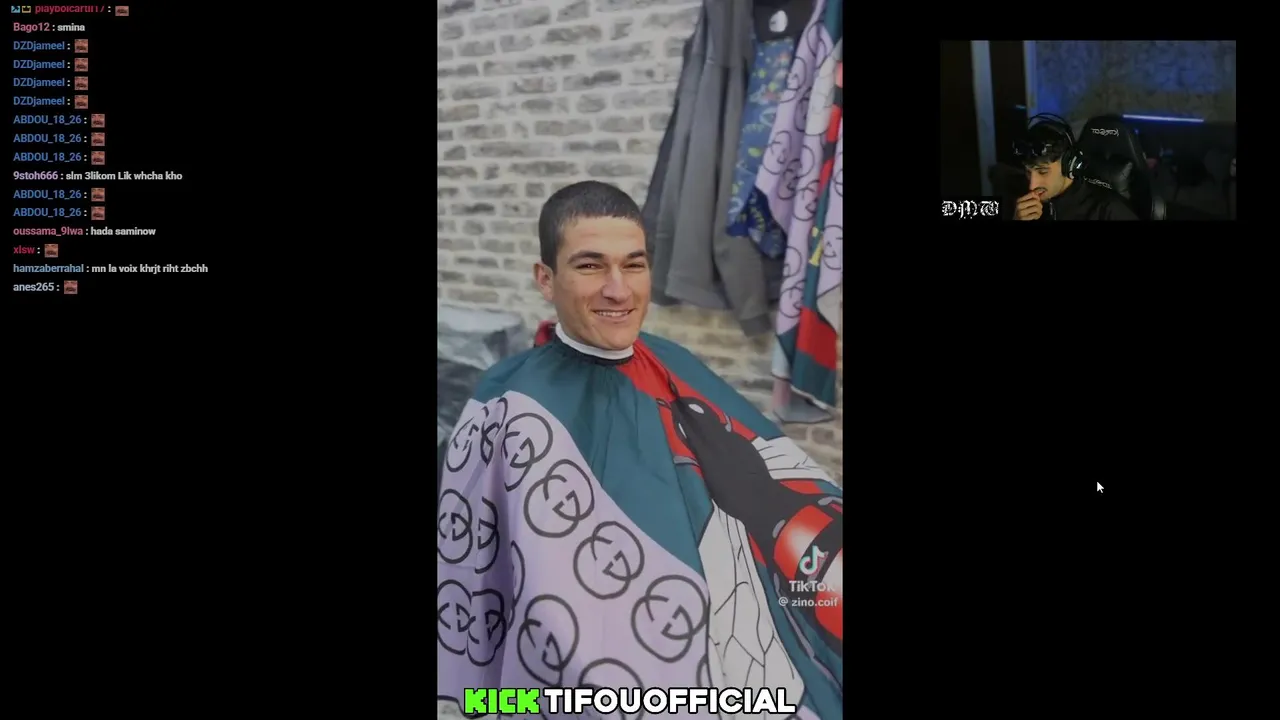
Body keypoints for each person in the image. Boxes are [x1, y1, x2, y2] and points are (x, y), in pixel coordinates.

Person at [437, 181, 843, 719]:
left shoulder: (674, 362)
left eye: (634, 265)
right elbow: (474, 568)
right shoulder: (507, 406)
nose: (619, 290)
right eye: (590, 266)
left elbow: (779, 474)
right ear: (545, 279)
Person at [1011, 119, 1139, 221]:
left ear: (1069, 165)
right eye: (1028, 172)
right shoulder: (1018, 201)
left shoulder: (1108, 210)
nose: (1032, 185)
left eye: (1043, 172)